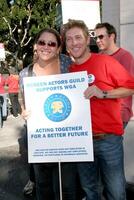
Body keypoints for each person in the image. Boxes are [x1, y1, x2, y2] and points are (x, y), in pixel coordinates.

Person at [62, 19, 134, 200]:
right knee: (90, 191)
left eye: (78, 37)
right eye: (69, 39)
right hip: (81, 142)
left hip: (108, 139)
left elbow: (130, 87)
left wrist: (103, 93)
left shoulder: (105, 62)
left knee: (116, 193)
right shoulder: (70, 72)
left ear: (87, 40)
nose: (74, 43)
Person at [19, 28, 77, 200]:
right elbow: (23, 101)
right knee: (43, 188)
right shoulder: (25, 74)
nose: (46, 46)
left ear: (58, 48)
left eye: (52, 43)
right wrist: (24, 111)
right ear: (36, 45)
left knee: (67, 188)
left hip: (68, 138)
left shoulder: (68, 65)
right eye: (42, 42)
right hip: (41, 140)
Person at [94, 22, 134, 128]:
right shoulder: (97, 58)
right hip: (99, 114)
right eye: (96, 37)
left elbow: (128, 89)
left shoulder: (125, 56)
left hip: (118, 114)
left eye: (101, 36)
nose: (98, 41)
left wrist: (102, 93)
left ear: (112, 36)